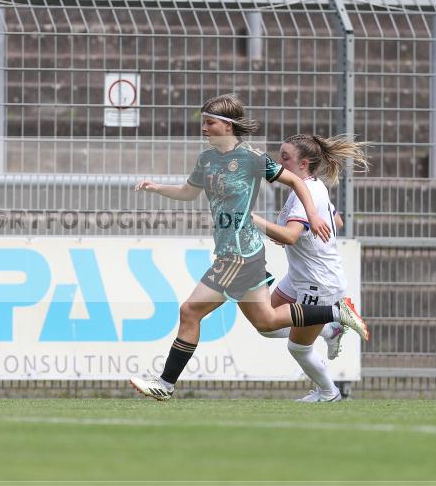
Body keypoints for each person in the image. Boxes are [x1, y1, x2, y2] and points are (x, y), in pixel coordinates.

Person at [128, 94, 367, 401]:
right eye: (203, 121)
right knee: (265, 323)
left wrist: (311, 215)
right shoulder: (207, 159)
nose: (204, 127)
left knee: (190, 311)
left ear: (227, 126)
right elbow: (188, 193)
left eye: (209, 122)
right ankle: (332, 318)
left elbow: (297, 182)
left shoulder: (252, 159)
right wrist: (157, 187)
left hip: (240, 253)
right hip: (234, 250)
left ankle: (165, 384)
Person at [251, 134, 369, 402]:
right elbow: (335, 221)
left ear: (303, 164)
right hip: (300, 276)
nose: (279, 163)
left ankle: (329, 393)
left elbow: (291, 235)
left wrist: (253, 219)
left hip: (318, 282)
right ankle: (329, 328)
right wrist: (296, 236)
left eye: (285, 158)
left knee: (298, 347)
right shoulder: (310, 187)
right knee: (264, 323)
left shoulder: (309, 192)